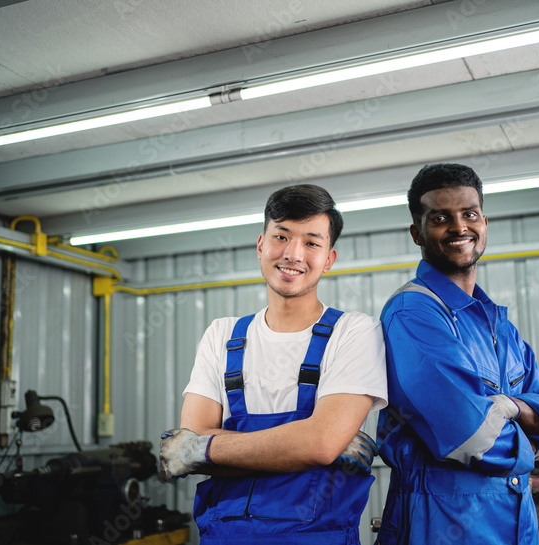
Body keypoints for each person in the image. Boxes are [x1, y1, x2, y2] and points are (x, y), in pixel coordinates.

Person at [158, 184, 388, 545]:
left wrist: (204, 448)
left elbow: (321, 444)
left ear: (329, 258)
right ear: (261, 245)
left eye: (312, 242)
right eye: (281, 236)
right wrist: (305, 443)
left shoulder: (354, 332)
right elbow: (197, 438)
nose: (293, 253)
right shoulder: (222, 335)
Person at [376, 163, 539, 545]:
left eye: (469, 214)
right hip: (441, 526)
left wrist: (510, 408)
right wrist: (529, 440)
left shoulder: (497, 324)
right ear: (417, 233)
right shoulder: (412, 313)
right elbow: (470, 436)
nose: (459, 227)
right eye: (440, 218)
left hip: (518, 525)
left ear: (484, 223)